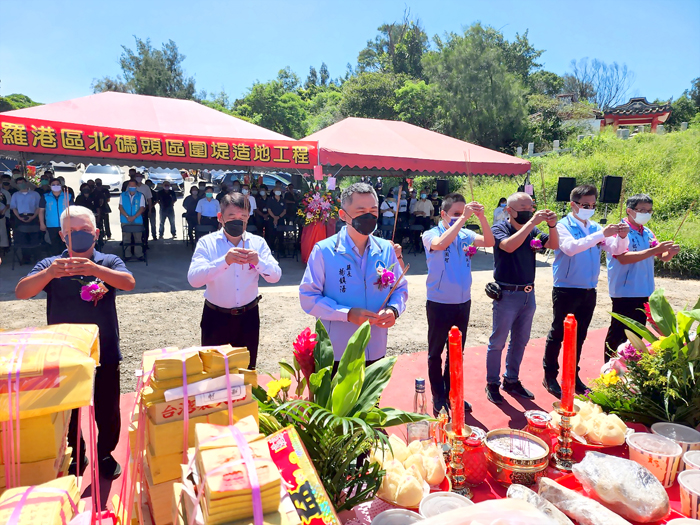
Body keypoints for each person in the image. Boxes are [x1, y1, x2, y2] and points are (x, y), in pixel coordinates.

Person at [15, 205, 135, 479]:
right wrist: (49, 274)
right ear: (62, 236)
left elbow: (128, 282)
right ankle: (74, 452)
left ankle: (105, 453)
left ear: (96, 233)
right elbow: (22, 292)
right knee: (67, 409)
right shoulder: (51, 265)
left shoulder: (107, 261)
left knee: (107, 407)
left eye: (84, 231)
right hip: (63, 352)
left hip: (104, 348)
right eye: (71, 232)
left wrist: (94, 269)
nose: (78, 236)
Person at [300, 182, 408, 373]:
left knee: (372, 402)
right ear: (343, 215)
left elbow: (399, 288)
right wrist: (347, 314)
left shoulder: (385, 249)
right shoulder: (324, 251)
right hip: (337, 351)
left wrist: (393, 310)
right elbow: (308, 298)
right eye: (361, 211)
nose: (369, 216)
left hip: (375, 347)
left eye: (373, 210)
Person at [543, 184, 630, 397]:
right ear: (573, 204)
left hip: (589, 289)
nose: (589, 208)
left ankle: (572, 374)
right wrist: (601, 233)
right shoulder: (563, 225)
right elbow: (571, 248)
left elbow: (616, 250)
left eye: (592, 205)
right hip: (566, 287)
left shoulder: (593, 227)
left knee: (580, 335)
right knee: (558, 333)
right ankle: (550, 376)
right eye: (585, 205)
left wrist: (621, 236)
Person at [187, 193, 281, 369]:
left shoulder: (257, 243)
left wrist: (258, 262)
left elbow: (275, 276)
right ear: (220, 218)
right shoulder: (207, 243)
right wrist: (225, 261)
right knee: (213, 373)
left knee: (245, 371)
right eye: (232, 217)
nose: (238, 221)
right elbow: (194, 279)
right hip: (215, 317)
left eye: (243, 217)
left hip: (248, 318)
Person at [423, 193, 494, 416]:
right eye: (455, 213)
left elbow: (490, 242)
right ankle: (438, 395)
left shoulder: (465, 234)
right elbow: (441, 243)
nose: (461, 217)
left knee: (456, 351)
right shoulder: (430, 234)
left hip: (463, 301)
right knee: (436, 353)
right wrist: (463, 218)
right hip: (439, 301)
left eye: (463, 213)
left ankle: (453, 393)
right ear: (443, 214)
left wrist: (482, 218)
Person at [485, 193, 559, 405]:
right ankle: (492, 383)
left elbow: (553, 245)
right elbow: (508, 246)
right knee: (497, 341)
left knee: (521, 340)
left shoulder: (533, 229)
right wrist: (532, 223)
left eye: (531, 207)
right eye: (523, 208)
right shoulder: (500, 228)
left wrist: (552, 226)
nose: (529, 211)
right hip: (506, 293)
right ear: (509, 210)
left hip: (528, 293)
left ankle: (512, 379)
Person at [604, 194, 680, 361]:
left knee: (637, 333)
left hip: (644, 289)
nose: (647, 213)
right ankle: (609, 368)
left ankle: (629, 369)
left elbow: (662, 255)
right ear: (629, 210)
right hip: (624, 290)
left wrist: (670, 253)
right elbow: (623, 258)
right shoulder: (619, 230)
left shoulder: (646, 231)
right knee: (619, 332)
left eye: (649, 210)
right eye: (642, 210)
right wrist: (654, 251)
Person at [10, 176, 42, 264]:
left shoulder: (35, 194)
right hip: (20, 217)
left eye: (22, 183)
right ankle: (25, 258)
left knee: (35, 238)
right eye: (19, 183)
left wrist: (33, 217)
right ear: (16, 185)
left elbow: (38, 207)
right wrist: (19, 217)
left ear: (26, 183)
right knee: (22, 239)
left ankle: (36, 258)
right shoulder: (15, 195)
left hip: (33, 217)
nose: (21, 185)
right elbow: (14, 208)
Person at [39, 178, 73, 255]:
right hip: (51, 225)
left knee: (65, 245)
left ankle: (66, 262)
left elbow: (73, 210)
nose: (56, 186)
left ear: (61, 185)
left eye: (58, 184)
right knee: (54, 245)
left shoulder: (68, 196)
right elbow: (41, 211)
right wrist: (42, 223)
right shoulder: (45, 197)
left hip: (65, 225)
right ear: (50, 186)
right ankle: (56, 261)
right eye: (53, 185)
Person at [118, 179, 146, 256]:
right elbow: (120, 207)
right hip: (125, 220)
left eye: (133, 186)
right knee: (126, 239)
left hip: (137, 220)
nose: (132, 187)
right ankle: (127, 255)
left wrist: (134, 217)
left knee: (138, 239)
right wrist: (127, 216)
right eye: (130, 186)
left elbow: (142, 208)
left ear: (136, 186)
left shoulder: (140, 195)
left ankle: (139, 254)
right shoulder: (123, 195)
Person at [129, 169, 153, 244]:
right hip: (133, 209)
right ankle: (134, 243)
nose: (138, 178)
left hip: (143, 209)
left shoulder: (146, 187)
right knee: (134, 227)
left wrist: (149, 210)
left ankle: (145, 242)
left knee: (145, 226)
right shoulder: (130, 186)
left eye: (140, 177)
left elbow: (149, 199)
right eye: (137, 177)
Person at [268, 186, 286, 253]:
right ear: (273, 191)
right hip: (272, 219)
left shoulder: (282, 200)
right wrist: (274, 217)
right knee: (272, 235)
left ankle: (281, 250)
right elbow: (269, 210)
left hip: (280, 219)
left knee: (281, 235)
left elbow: (284, 210)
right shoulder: (270, 199)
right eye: (277, 190)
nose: (278, 191)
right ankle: (271, 249)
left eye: (279, 190)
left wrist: (278, 217)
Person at [0, 181, 10, 251]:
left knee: (3, 234)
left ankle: (3, 251)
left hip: (3, 216)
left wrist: (3, 211)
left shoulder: (4, 193)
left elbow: (8, 204)